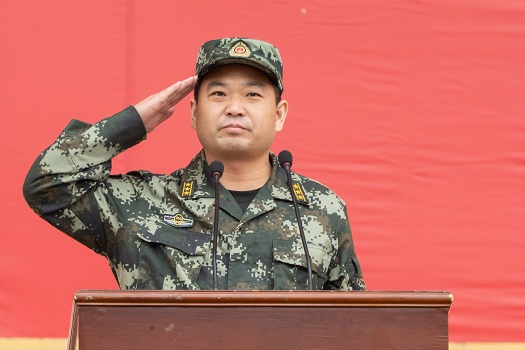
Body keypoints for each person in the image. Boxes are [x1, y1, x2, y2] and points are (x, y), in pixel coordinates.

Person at [23, 37, 365, 291]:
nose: (235, 108)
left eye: (252, 95)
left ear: (279, 115)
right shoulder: (140, 201)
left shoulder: (323, 210)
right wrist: (133, 123)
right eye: (218, 94)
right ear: (194, 112)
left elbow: (352, 327)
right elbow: (47, 185)